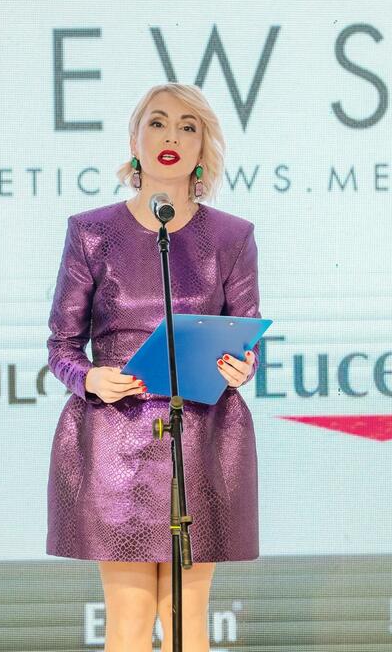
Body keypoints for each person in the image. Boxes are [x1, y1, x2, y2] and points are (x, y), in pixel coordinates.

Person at [45, 83, 262, 652]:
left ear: (203, 146)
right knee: (130, 621)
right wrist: (89, 377)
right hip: (116, 438)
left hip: (200, 436)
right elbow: (62, 345)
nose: (172, 136)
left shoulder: (232, 237)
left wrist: (241, 367)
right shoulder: (92, 232)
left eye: (189, 127)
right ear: (135, 140)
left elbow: (245, 339)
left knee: (188, 622)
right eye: (158, 123)